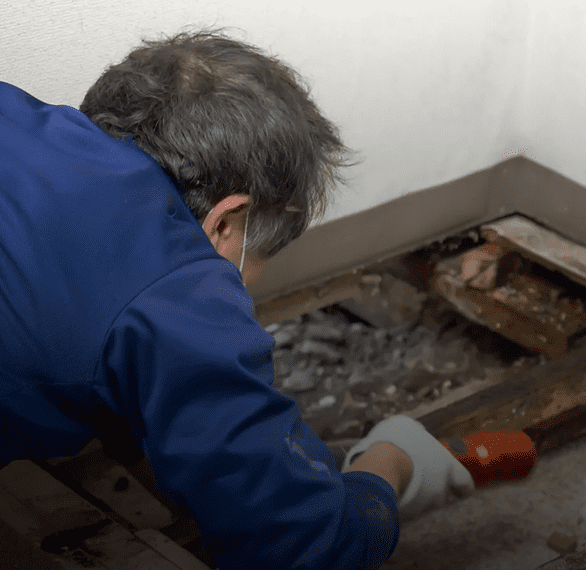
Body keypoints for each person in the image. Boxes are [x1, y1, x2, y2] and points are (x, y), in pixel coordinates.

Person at [0, 27, 474, 569]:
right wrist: (391, 463)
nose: (242, 287)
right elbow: (303, 552)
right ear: (226, 221)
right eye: (256, 262)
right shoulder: (172, 293)